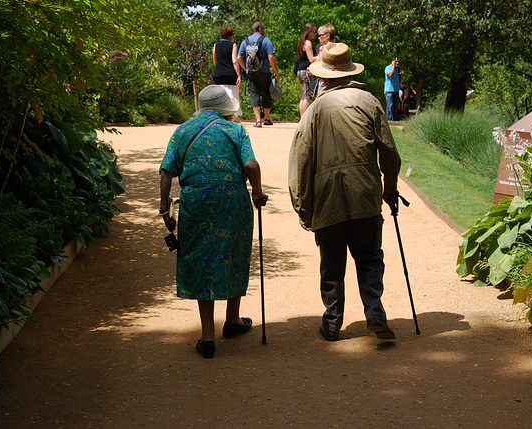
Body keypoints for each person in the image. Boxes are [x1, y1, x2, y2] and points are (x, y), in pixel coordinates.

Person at [288, 43, 402, 342]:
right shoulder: (369, 101)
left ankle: (331, 322)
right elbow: (389, 152)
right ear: (349, 71)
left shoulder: (314, 110)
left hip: (327, 198)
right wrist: (389, 188)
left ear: (323, 77)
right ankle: (375, 311)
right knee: (369, 257)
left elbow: (300, 162)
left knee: (332, 262)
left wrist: (303, 207)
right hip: (364, 192)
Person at [159, 85, 268, 359]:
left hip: (195, 202)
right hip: (232, 202)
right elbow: (251, 166)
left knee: (200, 259)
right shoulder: (236, 131)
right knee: (235, 253)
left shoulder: (182, 131)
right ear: (224, 109)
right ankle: (232, 319)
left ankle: (208, 337)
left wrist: (165, 210)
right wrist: (257, 192)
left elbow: (166, 171)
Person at [237, 22, 280, 128]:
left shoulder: (245, 41)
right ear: (260, 28)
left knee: (254, 94)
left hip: (251, 73)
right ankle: (266, 118)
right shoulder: (266, 40)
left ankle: (257, 121)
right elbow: (271, 57)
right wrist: (275, 72)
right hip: (264, 71)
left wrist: (246, 68)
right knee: (266, 93)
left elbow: (238, 58)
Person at [212, 26, 242, 118]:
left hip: (219, 74)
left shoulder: (216, 45)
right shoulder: (233, 45)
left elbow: (214, 58)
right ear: (230, 36)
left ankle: (221, 115)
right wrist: (239, 75)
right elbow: (234, 61)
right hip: (230, 74)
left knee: (220, 96)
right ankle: (233, 116)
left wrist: (218, 67)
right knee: (232, 95)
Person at [295, 23, 317, 116]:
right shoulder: (308, 43)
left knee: (304, 96)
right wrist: (321, 55)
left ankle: (302, 118)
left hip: (300, 71)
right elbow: (311, 59)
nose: (316, 34)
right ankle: (305, 118)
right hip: (306, 71)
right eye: (314, 31)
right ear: (309, 32)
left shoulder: (302, 42)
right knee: (307, 97)